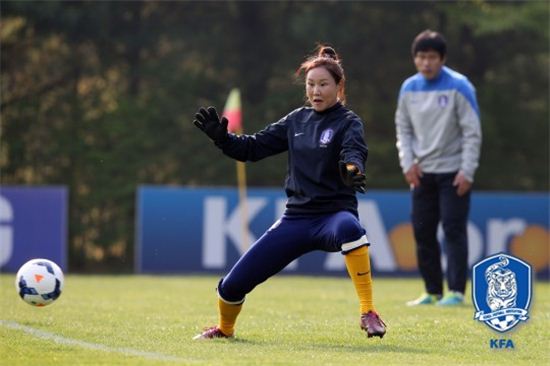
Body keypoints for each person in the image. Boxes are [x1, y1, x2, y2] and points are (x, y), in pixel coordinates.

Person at [192, 45, 386, 339]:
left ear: (339, 86)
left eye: (323, 84)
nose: (316, 91)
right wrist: (223, 139)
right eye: (310, 85)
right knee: (230, 287)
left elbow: (353, 153)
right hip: (296, 219)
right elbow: (252, 148)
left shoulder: (349, 122)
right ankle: (225, 329)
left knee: (351, 228)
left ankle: (368, 312)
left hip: (333, 216)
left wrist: (352, 169)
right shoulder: (296, 120)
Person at [394, 30, 482, 306]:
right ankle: (432, 291)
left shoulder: (460, 86)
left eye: (431, 57)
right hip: (422, 173)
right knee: (423, 231)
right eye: (421, 57)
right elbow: (403, 129)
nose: (426, 63)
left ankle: (456, 292)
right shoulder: (409, 88)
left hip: (454, 171)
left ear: (442, 59)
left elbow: (472, 132)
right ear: (414, 59)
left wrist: (467, 170)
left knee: (454, 230)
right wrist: (407, 163)